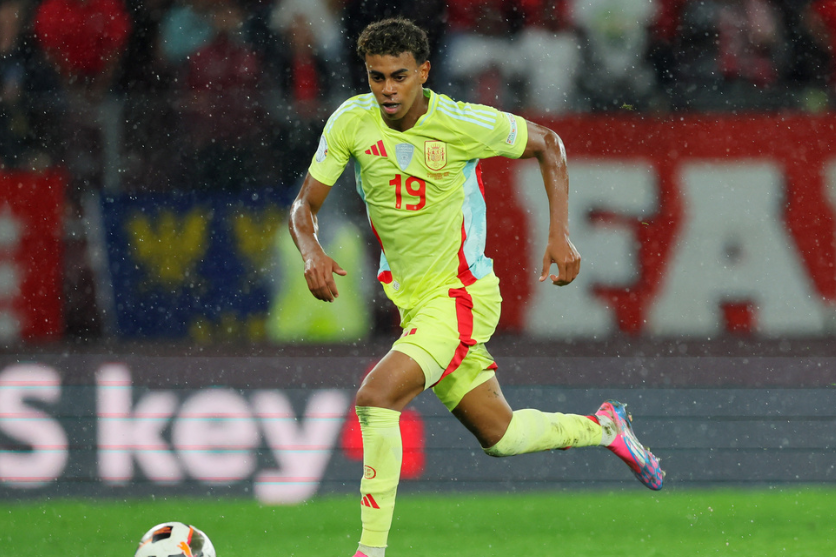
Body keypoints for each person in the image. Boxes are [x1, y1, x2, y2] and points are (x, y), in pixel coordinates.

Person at [288, 18, 665, 557]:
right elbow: (304, 207)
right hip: (415, 305)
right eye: (376, 78)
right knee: (502, 436)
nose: (388, 90)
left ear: (424, 72)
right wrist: (311, 251)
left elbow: (549, 144)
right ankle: (605, 428)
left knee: (376, 398)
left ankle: (369, 551)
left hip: (462, 296)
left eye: (399, 76)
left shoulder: (460, 123)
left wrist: (559, 235)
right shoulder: (351, 121)